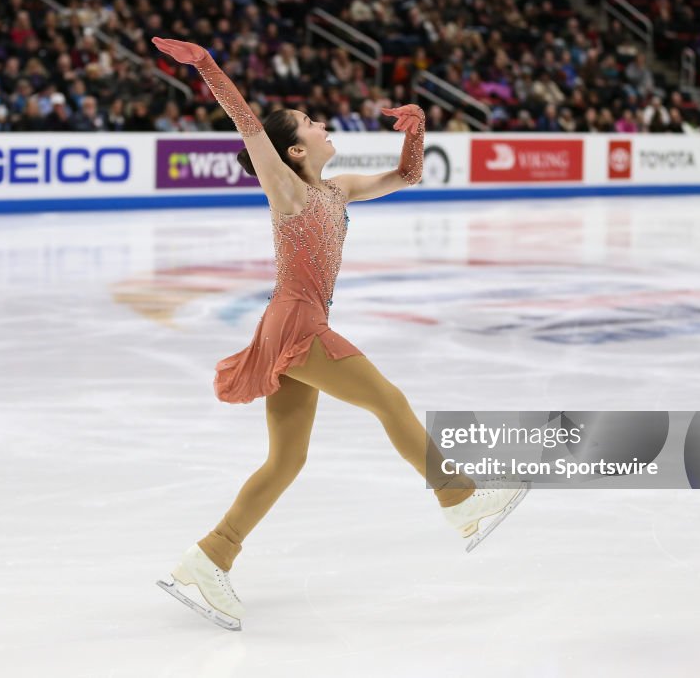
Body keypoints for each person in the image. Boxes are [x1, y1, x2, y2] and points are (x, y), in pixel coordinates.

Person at [149, 36, 529, 632]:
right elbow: (249, 126)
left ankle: (210, 556)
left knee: (286, 460)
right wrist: (206, 67)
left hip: (293, 324)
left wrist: (416, 127)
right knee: (389, 400)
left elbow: (408, 174)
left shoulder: (338, 188)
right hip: (299, 324)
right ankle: (458, 499)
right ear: (296, 148)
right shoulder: (289, 189)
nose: (323, 123)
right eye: (310, 121)